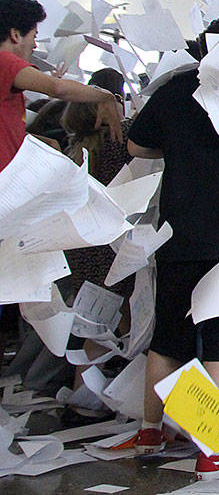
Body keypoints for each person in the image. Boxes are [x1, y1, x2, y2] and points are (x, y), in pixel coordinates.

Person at [126, 15, 219, 480]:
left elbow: (135, 146)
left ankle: (150, 431)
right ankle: (214, 449)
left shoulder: (175, 88)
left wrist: (181, 149)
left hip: (178, 232)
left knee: (169, 336)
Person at [58, 68, 136, 429]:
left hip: (82, 243)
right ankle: (124, 396)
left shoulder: (76, 147)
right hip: (113, 243)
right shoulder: (120, 140)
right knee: (121, 321)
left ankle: (83, 398)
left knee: (93, 320)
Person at [0, 0, 122, 172]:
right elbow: (57, 88)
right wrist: (107, 96)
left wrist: (37, 140)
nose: (34, 45)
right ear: (16, 35)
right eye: (34, 36)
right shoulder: (5, 61)